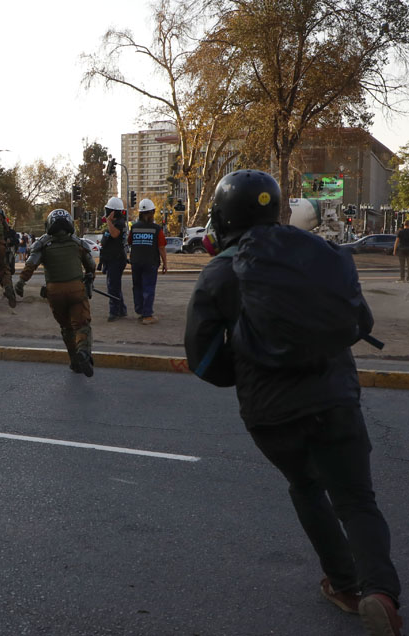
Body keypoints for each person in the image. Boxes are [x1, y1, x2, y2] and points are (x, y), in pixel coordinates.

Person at [185, 169, 402, 636]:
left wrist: (244, 370)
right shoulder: (319, 253)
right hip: (337, 399)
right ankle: (380, 591)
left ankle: (344, 585)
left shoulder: (219, 273)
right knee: (357, 499)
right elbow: (358, 319)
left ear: (222, 217)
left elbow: (201, 360)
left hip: (271, 414)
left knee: (306, 488)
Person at [15, 209, 97, 376]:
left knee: (66, 328)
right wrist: (89, 278)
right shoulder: (78, 243)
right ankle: (83, 352)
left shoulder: (43, 244)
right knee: (81, 325)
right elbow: (91, 266)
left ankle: (74, 361)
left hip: (54, 293)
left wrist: (21, 282)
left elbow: (31, 264)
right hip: (76, 289)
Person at [127, 198, 167, 324]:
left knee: (137, 287)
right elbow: (161, 247)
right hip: (150, 263)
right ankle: (147, 315)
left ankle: (140, 311)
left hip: (136, 262)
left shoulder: (134, 227)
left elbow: (129, 242)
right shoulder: (157, 229)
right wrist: (165, 263)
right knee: (148, 287)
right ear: (152, 212)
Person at [100, 196, 129, 321]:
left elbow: (114, 234)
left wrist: (108, 220)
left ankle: (114, 312)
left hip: (116, 260)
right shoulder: (114, 223)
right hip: (111, 259)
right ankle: (121, 309)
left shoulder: (119, 223)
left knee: (113, 287)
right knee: (114, 286)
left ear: (113, 211)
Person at [395, 218, 409, 283]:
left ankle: (402, 278)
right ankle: (408, 278)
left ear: (404, 225)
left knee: (402, 265)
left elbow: (397, 242)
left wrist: (394, 250)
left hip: (402, 249)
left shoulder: (400, 232)